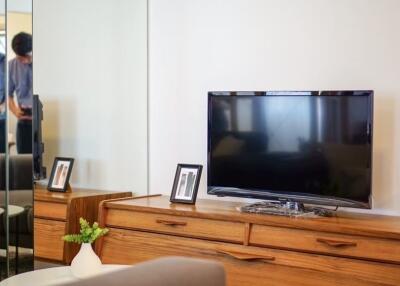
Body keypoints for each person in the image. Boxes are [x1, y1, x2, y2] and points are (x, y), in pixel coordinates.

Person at [8, 32, 33, 154]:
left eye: (28, 57)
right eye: (20, 58)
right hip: (23, 123)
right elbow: (9, 95)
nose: (24, 61)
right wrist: (14, 109)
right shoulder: (11, 66)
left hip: (45, 122)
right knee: (23, 163)